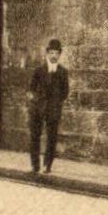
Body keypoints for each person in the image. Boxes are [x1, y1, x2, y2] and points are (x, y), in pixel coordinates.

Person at [27, 39, 69, 176]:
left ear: (59, 55)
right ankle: (35, 165)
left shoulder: (63, 72)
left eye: (56, 53)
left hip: (53, 109)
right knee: (35, 136)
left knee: (51, 137)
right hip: (37, 109)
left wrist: (55, 103)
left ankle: (47, 165)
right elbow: (31, 89)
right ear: (47, 53)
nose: (54, 56)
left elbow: (65, 92)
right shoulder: (39, 71)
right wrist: (35, 102)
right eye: (51, 52)